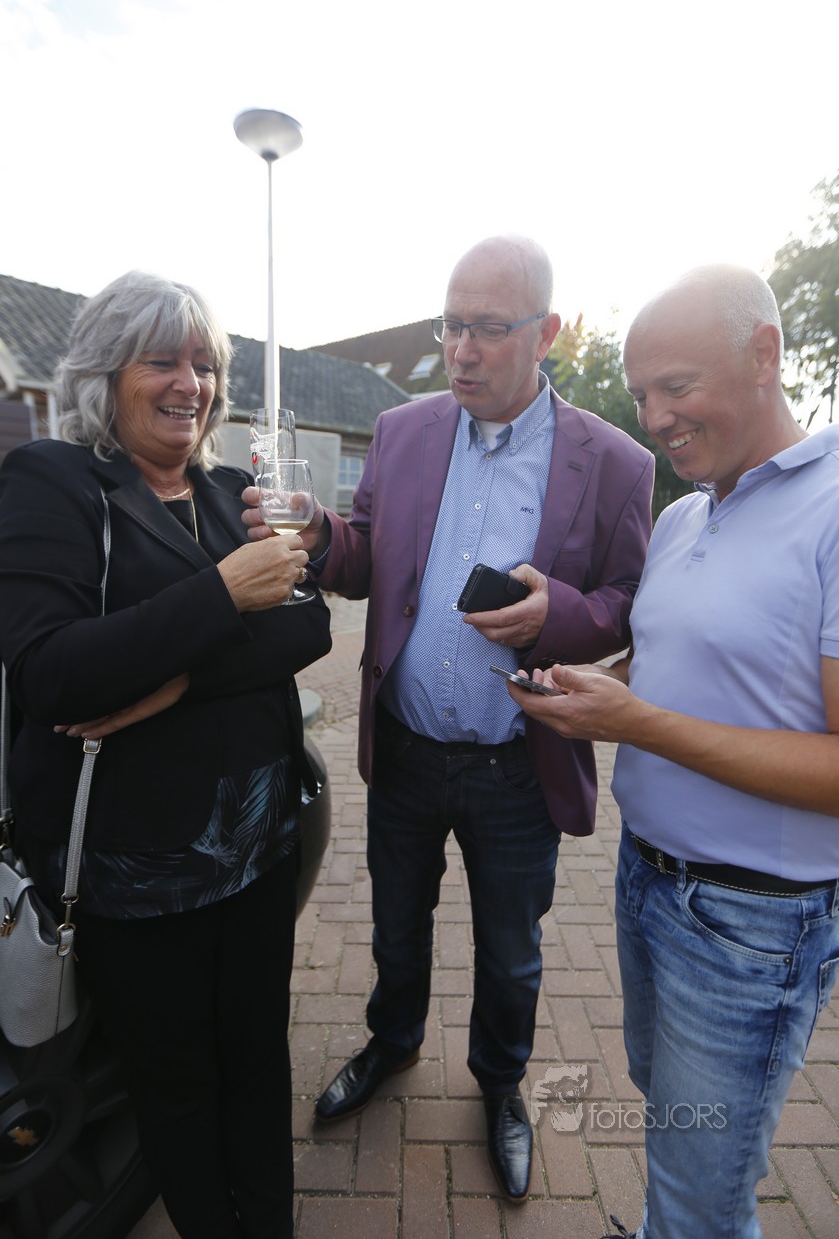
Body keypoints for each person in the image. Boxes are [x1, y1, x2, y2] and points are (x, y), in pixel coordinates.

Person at [245, 234, 655, 1202]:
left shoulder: (614, 462)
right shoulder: (402, 430)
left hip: (517, 762)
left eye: (487, 328)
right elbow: (364, 558)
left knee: (510, 953)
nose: (459, 351)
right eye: (449, 325)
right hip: (406, 749)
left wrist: (554, 613)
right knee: (395, 927)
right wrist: (319, 531)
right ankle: (392, 1042)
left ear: (547, 333)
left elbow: (627, 600)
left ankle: (500, 1084)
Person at [508, 264, 839, 1238]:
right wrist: (591, 684)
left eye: (676, 386)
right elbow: (673, 663)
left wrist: (633, 723)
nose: (653, 418)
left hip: (748, 916)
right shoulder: (681, 512)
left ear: (763, 354)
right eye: (640, 393)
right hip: (647, 877)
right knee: (673, 1117)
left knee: (703, 1189)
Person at [0, 271, 332, 1239]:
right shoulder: (53, 481)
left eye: (205, 364)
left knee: (257, 1057)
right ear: (106, 373)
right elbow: (53, 674)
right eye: (162, 361)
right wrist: (225, 594)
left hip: (260, 846)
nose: (191, 383)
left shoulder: (230, 490)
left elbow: (307, 626)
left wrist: (174, 681)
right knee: (177, 1084)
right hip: (135, 872)